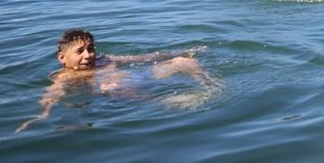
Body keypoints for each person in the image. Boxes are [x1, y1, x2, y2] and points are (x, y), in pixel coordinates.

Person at [16, 29, 214, 132]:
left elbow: (144, 58)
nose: (88, 55)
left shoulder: (106, 60)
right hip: (120, 93)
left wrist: (183, 52)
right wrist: (41, 115)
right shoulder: (65, 76)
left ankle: (212, 89)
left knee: (184, 62)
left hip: (141, 78)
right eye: (80, 52)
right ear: (62, 58)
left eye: (90, 49)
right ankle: (167, 103)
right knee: (111, 85)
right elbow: (52, 95)